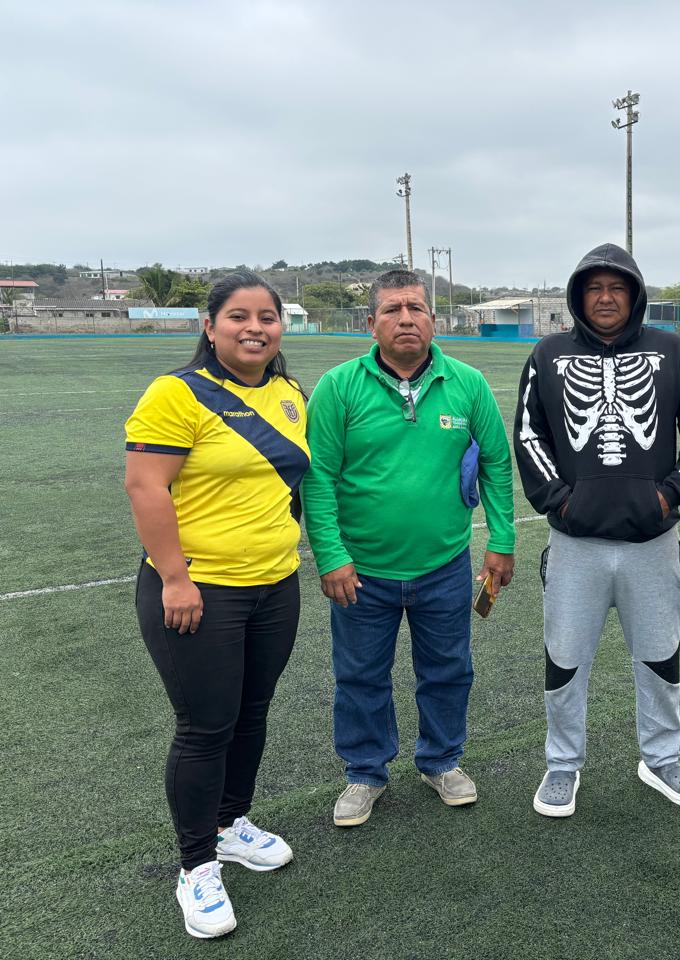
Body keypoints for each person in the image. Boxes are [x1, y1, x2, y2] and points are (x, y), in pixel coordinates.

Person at [125, 272, 309, 939]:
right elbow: (146, 487)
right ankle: (196, 865)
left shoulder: (289, 394)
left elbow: (290, 487)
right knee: (205, 727)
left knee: (252, 711)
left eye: (267, 316)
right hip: (198, 591)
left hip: (275, 584)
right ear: (209, 326)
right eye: (238, 316)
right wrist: (175, 579)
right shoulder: (177, 393)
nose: (255, 328)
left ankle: (231, 825)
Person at [302, 269, 515, 828]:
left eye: (416, 308)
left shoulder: (468, 384)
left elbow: (496, 463)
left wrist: (502, 540)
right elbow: (318, 478)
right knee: (360, 678)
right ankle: (365, 772)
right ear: (370, 322)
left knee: (448, 670)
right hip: (361, 571)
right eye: (392, 309)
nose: (405, 319)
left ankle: (441, 761)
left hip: (444, 566)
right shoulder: (338, 386)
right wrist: (331, 555)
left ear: (433, 321)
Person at [514, 242, 680, 817]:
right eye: (595, 288)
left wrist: (669, 493)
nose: (606, 298)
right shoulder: (548, 354)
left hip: (652, 544)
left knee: (660, 656)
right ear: (579, 297)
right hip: (574, 545)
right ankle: (562, 764)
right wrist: (560, 503)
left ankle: (661, 758)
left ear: (635, 294)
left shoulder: (672, 351)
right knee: (564, 659)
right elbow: (528, 434)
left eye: (617, 287)